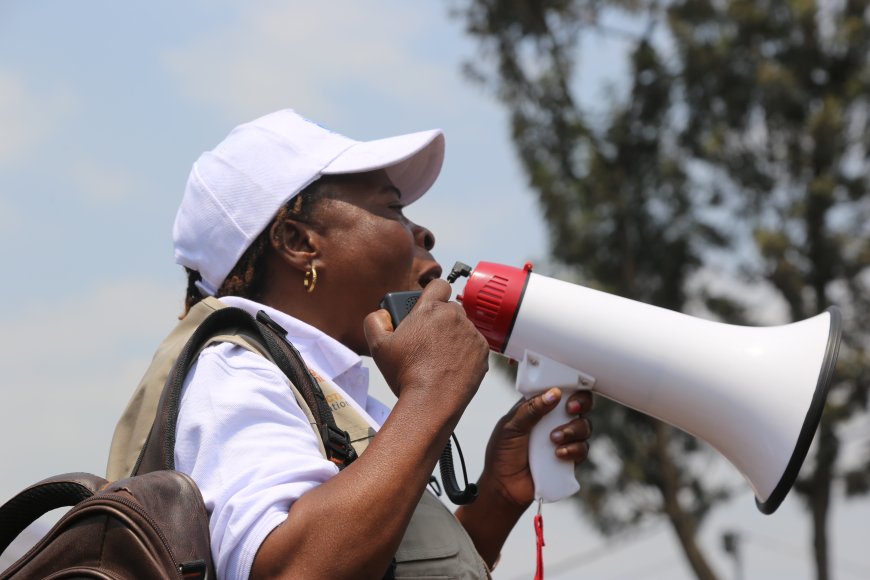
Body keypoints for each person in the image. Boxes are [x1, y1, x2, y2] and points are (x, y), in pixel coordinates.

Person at [107, 109, 593, 579]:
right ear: (298, 242)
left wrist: (497, 499)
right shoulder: (236, 374)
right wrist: (430, 396)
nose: (424, 232)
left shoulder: (330, 399)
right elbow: (293, 571)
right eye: (393, 207)